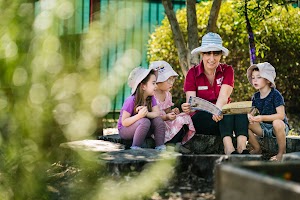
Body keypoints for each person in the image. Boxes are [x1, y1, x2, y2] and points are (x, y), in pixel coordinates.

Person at [181, 32, 249, 155]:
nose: (212, 58)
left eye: (216, 53)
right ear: (202, 54)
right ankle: (229, 149)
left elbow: (224, 96)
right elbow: (192, 102)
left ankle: (241, 148)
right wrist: (187, 106)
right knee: (225, 112)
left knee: (238, 111)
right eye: (208, 53)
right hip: (202, 119)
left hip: (221, 116)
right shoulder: (192, 73)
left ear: (221, 55)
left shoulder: (228, 70)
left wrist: (217, 110)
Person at [149, 61, 195, 153]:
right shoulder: (151, 95)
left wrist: (173, 112)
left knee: (184, 117)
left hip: (167, 122)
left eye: (173, 80)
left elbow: (167, 111)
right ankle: (168, 144)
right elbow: (151, 116)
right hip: (156, 124)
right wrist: (166, 117)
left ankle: (175, 144)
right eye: (168, 80)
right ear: (157, 81)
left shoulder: (168, 94)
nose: (171, 83)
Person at [247, 62, 289, 161]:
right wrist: (250, 117)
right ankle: (257, 149)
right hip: (264, 128)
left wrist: (261, 118)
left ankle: (281, 153)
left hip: (278, 128)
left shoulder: (275, 94)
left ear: (267, 79)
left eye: (258, 77)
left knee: (277, 122)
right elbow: (251, 111)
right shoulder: (256, 96)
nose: (255, 80)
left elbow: (281, 116)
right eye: (253, 78)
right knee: (244, 122)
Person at [117, 67, 166, 151]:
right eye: (153, 83)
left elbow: (157, 113)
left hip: (143, 128)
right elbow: (124, 122)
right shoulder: (131, 100)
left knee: (158, 120)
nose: (156, 86)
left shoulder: (151, 98)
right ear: (143, 86)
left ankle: (160, 146)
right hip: (125, 130)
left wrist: (146, 114)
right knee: (145, 121)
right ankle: (135, 148)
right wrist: (139, 116)